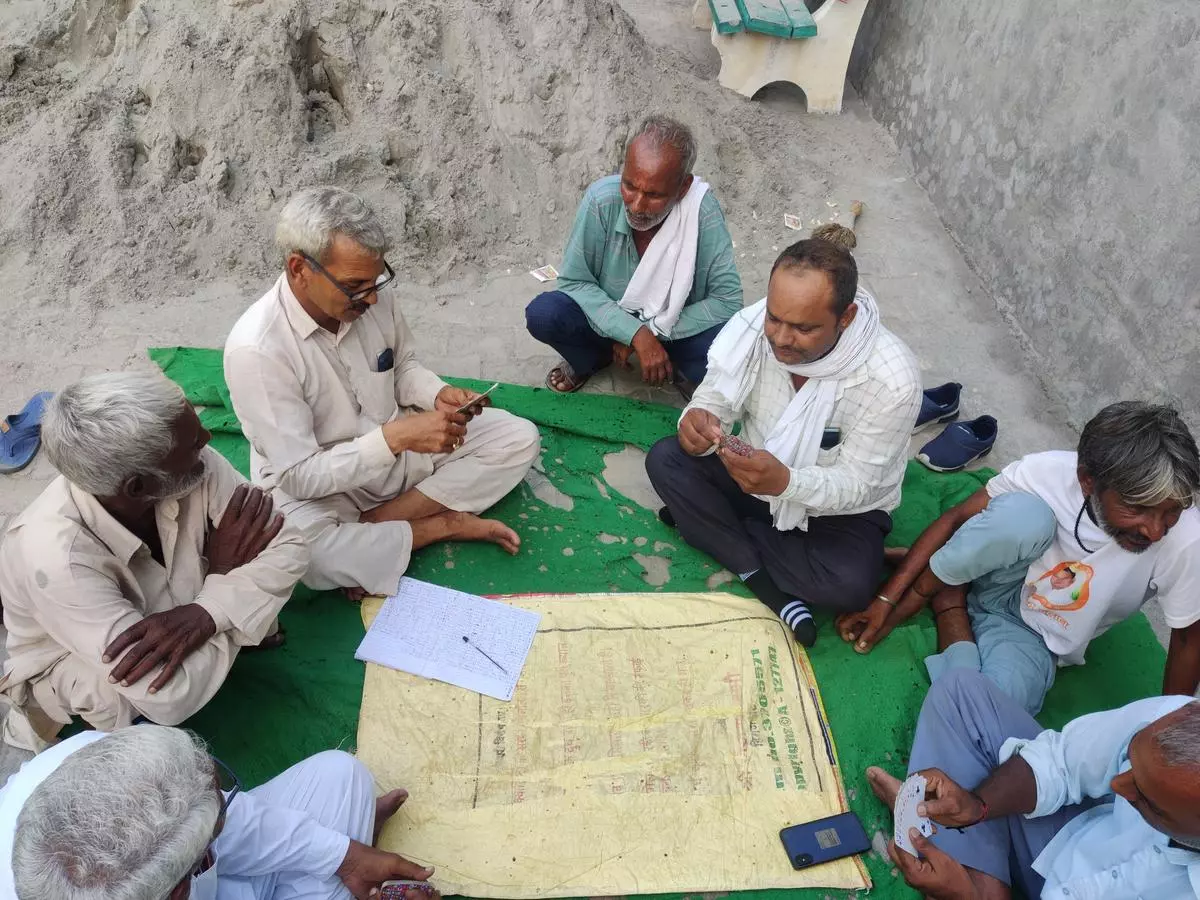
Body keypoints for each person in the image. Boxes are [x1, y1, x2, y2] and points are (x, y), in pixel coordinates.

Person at [225, 187, 540, 598]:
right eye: (356, 285)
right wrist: (397, 439)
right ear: (299, 268)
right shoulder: (257, 351)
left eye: (377, 280)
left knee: (518, 439)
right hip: (323, 488)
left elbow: (401, 366)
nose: (372, 297)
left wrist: (437, 393)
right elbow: (299, 475)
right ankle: (438, 525)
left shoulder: (370, 297)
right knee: (304, 554)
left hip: (396, 449)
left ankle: (379, 524)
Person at [0, 372, 309, 752]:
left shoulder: (191, 462)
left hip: (169, 603)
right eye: (194, 444)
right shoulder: (54, 558)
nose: (208, 441)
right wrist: (225, 577)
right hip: (68, 649)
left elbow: (290, 545)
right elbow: (169, 698)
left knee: (255, 562)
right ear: (138, 487)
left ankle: (216, 630)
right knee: (119, 696)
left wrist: (207, 613)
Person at [838, 401, 1200, 715]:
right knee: (1023, 519)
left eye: (1172, 511)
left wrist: (1165, 727)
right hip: (999, 569)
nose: (1155, 530)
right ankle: (947, 574)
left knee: (993, 708)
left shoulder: (1187, 541)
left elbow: (1188, 640)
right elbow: (955, 519)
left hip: (1036, 630)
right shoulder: (1047, 474)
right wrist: (891, 603)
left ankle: (950, 598)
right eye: (1137, 507)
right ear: (1088, 481)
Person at [646, 239, 921, 646]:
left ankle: (710, 529)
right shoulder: (753, 328)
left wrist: (784, 483)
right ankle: (767, 585)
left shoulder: (894, 381)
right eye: (775, 319)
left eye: (804, 328)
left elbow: (859, 485)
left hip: (838, 511)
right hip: (754, 476)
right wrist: (697, 423)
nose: (781, 339)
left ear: (845, 317)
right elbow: (714, 399)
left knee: (849, 586)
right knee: (666, 458)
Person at [3, 724, 438, 900]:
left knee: (341, 778)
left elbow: (241, 822)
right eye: (206, 847)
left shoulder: (100, 759)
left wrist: (347, 856)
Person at [869, 669, 1200, 899]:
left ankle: (967, 872)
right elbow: (1064, 760)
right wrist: (977, 806)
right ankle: (973, 865)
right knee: (961, 694)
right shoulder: (1173, 717)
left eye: (1145, 799)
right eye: (1130, 759)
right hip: (1071, 843)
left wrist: (965, 896)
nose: (1117, 785)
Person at [525, 115, 742, 397]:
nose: (637, 205)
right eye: (629, 185)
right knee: (544, 314)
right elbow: (575, 282)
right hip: (607, 322)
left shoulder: (703, 212)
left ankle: (678, 367)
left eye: (654, 195)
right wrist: (632, 333)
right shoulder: (600, 201)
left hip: (673, 327)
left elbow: (727, 300)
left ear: (683, 188)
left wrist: (650, 333)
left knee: (730, 343)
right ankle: (592, 359)